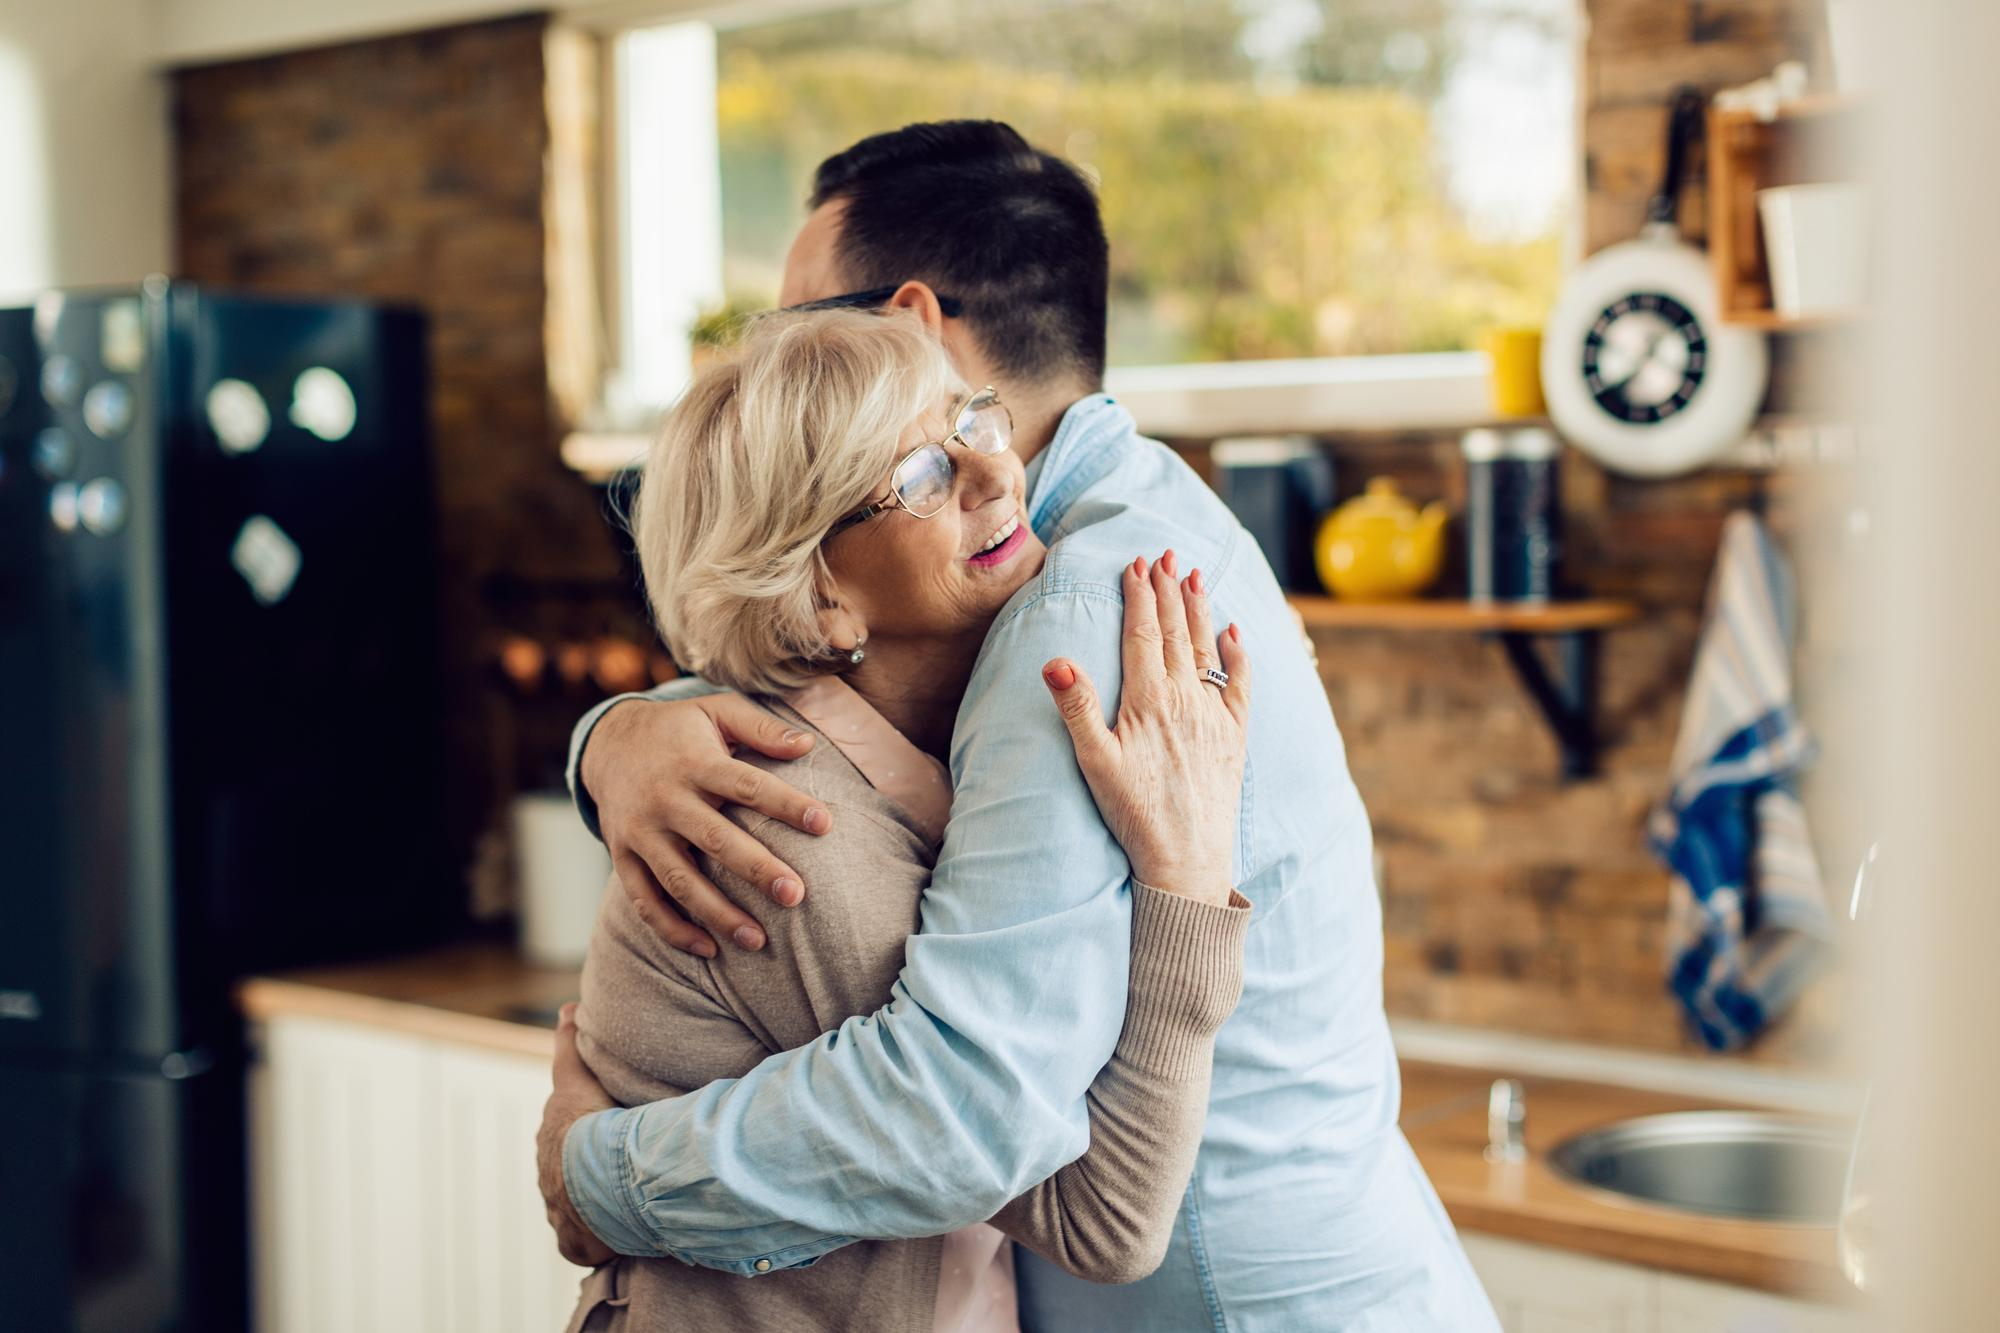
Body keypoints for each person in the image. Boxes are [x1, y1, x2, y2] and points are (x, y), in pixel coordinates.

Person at [539, 120, 1497, 1330]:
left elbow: (971, 1118)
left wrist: (599, 1174)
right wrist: (621, 730)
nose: (782, 361)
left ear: (907, 327)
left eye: (798, 329)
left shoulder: (1080, 602)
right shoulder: (1121, 521)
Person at [548, 306, 1255, 1332]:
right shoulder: (789, 828)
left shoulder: (906, 768)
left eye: (970, 420)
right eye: (922, 477)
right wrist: (1185, 877)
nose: (993, 472)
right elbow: (1107, 1217)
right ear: (818, 595)